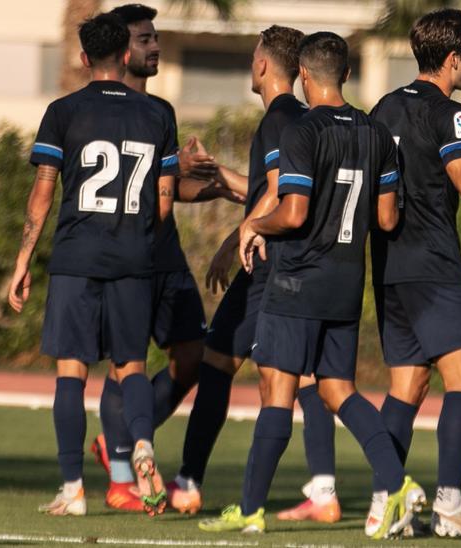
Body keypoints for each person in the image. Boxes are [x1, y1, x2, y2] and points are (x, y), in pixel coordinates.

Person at [198, 32, 420, 538]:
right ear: (345, 73)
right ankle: (398, 483)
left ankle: (251, 511)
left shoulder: (301, 131)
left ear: (301, 73)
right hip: (346, 284)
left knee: (276, 391)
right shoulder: (377, 134)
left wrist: (254, 226)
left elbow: (293, 213)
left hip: (297, 280)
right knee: (340, 390)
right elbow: (387, 221)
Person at [343, 7, 461, 539]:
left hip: (390, 266)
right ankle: (450, 503)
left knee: (407, 385)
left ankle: (386, 503)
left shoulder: (383, 107)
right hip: (435, 263)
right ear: (453, 57)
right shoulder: (452, 113)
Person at [8, 11, 178, 516]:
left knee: (71, 375)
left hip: (77, 257)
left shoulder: (63, 111)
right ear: (126, 55)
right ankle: (142, 445)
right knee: (131, 369)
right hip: (134, 258)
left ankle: (73, 490)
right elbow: (164, 204)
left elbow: (42, 194)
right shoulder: (157, 114)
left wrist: (22, 259)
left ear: (84, 59)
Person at [165, 24, 330, 519]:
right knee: (301, 376)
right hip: (304, 264)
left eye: (253, 56)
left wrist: (234, 237)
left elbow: (278, 189)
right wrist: (224, 182)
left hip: (269, 266)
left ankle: (189, 482)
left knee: (220, 363)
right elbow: (272, 186)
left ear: (262, 65)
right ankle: (323, 489)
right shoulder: (305, 118)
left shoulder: (279, 120)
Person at [85, 2, 237, 514]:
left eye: (156, 37)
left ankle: (117, 443)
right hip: (121, 256)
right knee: (123, 364)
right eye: (145, 39)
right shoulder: (98, 111)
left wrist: (213, 186)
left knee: (192, 355)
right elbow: (124, 190)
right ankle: (122, 476)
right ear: (121, 49)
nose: (155, 46)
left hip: (165, 254)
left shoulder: (162, 111)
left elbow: (166, 190)